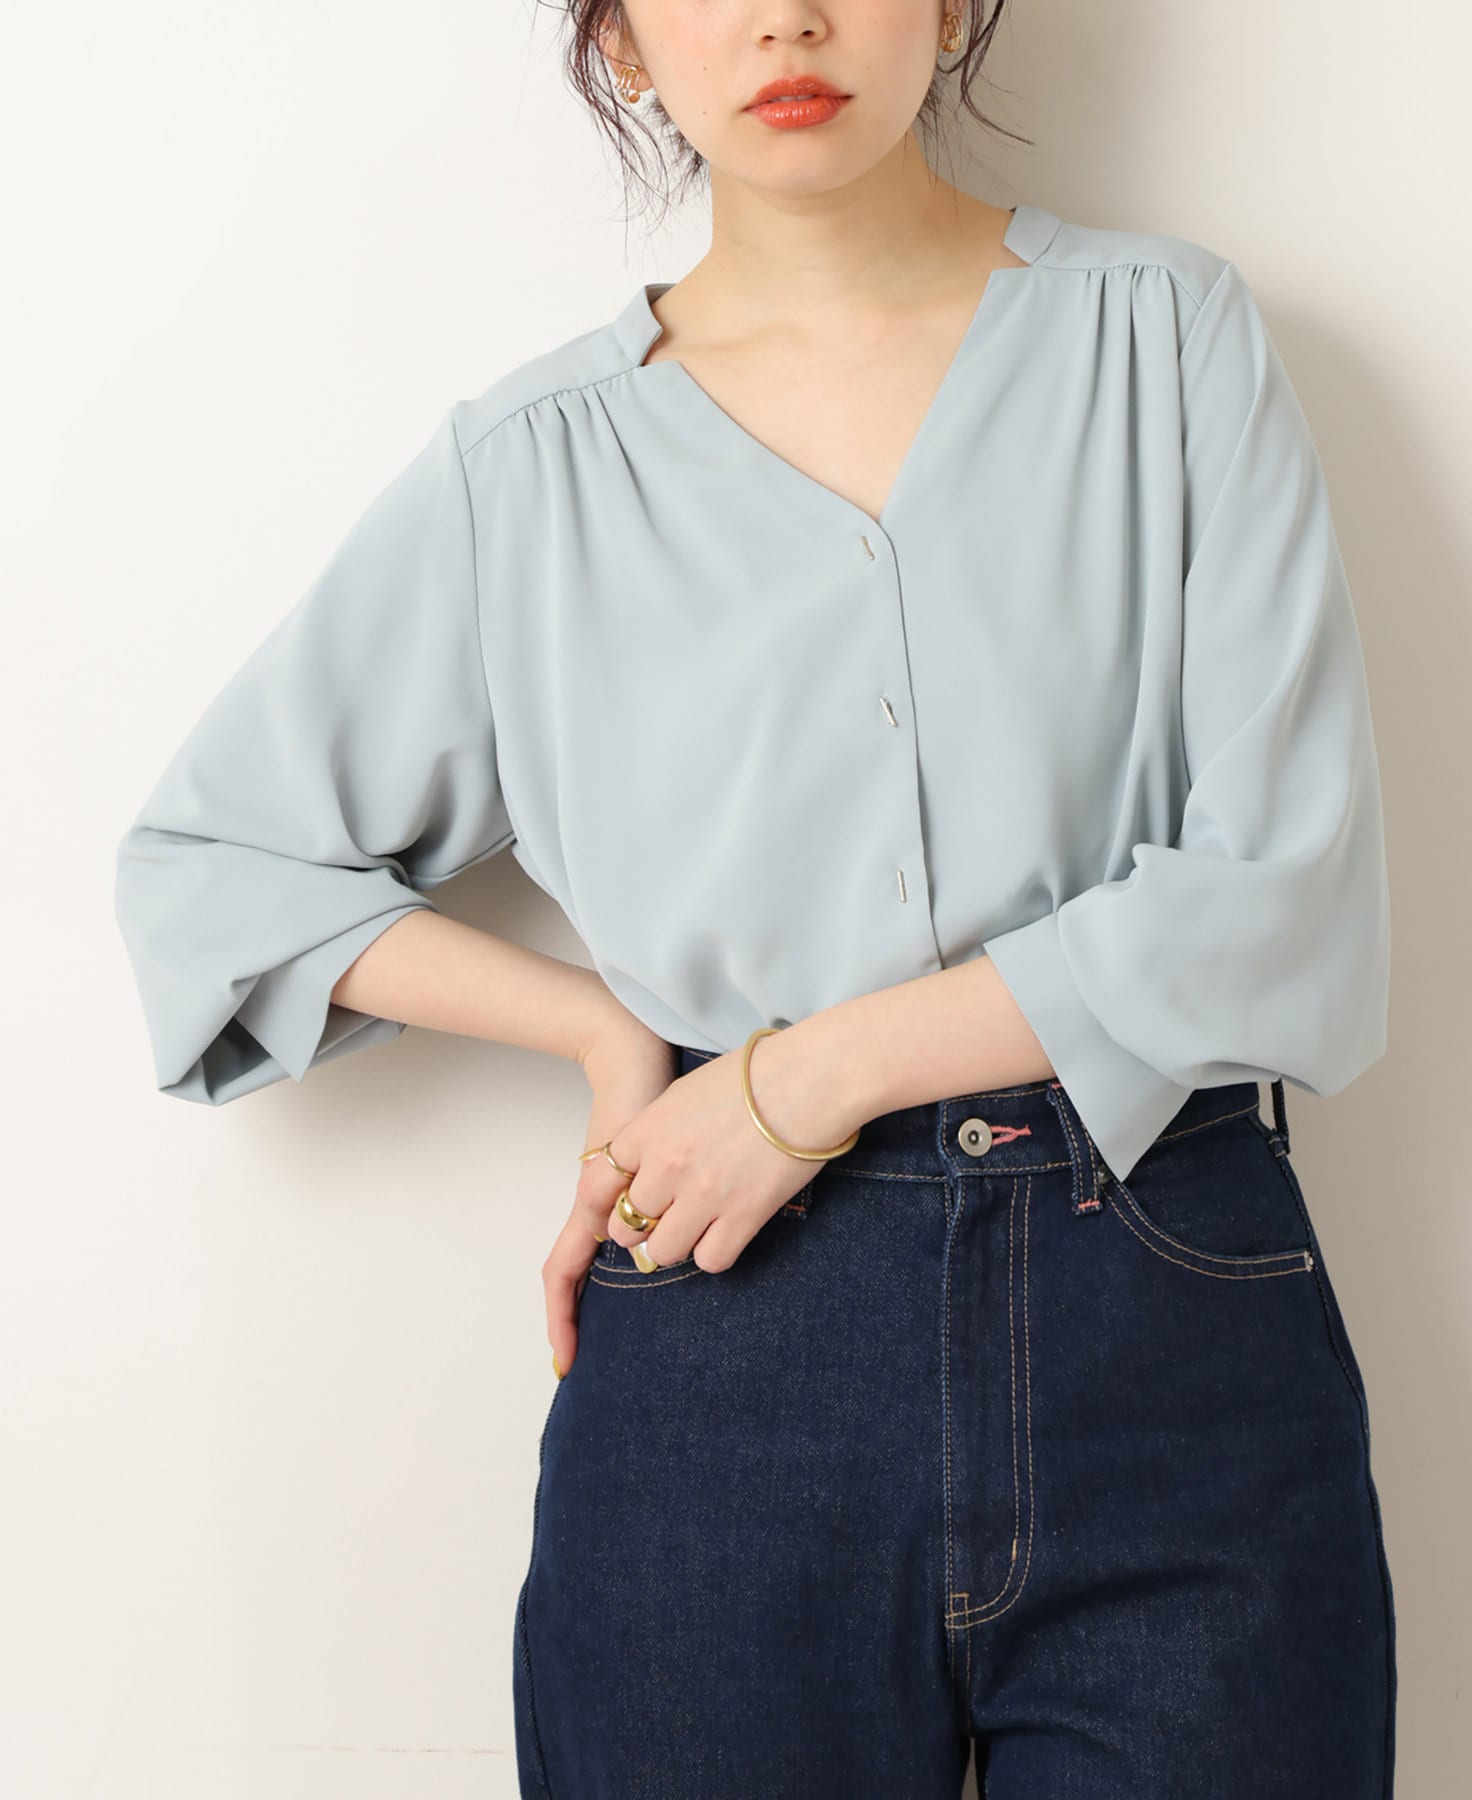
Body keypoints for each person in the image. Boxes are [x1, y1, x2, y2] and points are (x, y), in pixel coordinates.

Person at [113, 4, 1397, 1796]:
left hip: (1165, 1302)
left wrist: (802, 1078)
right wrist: (599, 1031)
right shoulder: (530, 469)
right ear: (624, 41)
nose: (787, 16)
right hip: (725, 1320)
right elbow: (210, 869)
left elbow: (1286, 886)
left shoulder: (1162, 338)